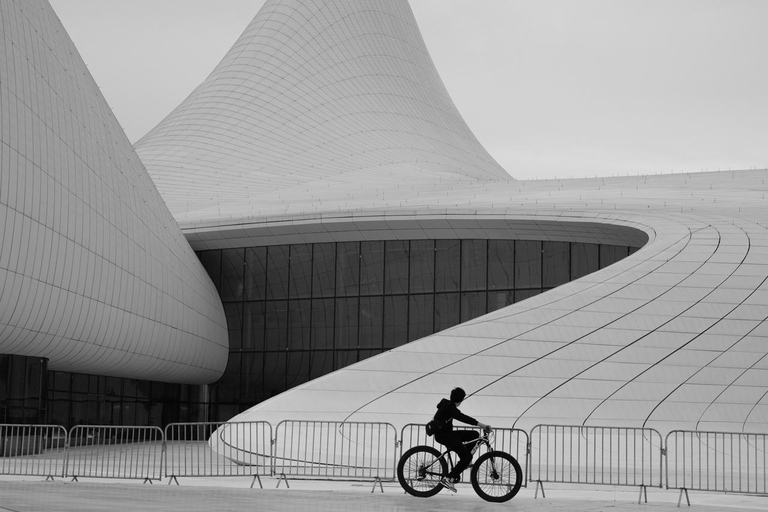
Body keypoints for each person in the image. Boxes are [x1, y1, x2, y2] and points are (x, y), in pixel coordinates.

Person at [432, 387, 491, 492]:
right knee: (467, 456)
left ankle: (464, 460)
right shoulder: (450, 407)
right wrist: (482, 425)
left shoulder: (447, 405)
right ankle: (448, 478)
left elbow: (459, 416)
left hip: (446, 434)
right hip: (443, 436)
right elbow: (463, 418)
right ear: (461, 400)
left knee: (474, 434)